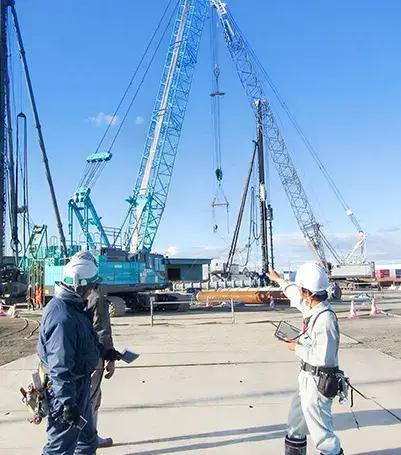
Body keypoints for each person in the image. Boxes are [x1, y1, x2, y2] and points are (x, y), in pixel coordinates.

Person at [268, 263, 344, 455]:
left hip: (319, 381)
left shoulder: (325, 319)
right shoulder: (312, 308)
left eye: (301, 289)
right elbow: (295, 295)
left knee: (323, 435)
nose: (299, 293)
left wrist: (297, 347)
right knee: (295, 426)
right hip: (306, 378)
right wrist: (278, 280)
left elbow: (323, 358)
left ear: (307, 293)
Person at [38, 251, 102, 455]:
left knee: (87, 441)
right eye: (91, 287)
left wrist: (105, 352)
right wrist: (67, 404)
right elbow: (60, 365)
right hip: (66, 390)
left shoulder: (73, 308)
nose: (92, 291)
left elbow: (81, 344)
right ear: (79, 286)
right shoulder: (62, 317)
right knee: (59, 448)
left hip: (79, 385)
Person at [86, 287, 118, 448]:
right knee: (91, 399)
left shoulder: (62, 299)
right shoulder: (96, 297)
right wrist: (110, 356)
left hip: (67, 359)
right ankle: (89, 439)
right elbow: (102, 330)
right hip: (92, 358)